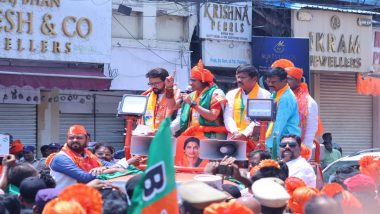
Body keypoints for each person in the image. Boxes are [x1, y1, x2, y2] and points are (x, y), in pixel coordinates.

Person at [168, 59, 227, 138]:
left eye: (193, 80)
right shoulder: (192, 95)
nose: (190, 83)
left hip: (211, 138)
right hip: (192, 138)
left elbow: (212, 116)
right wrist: (168, 88)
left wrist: (192, 104)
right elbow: (172, 106)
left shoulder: (216, 93)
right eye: (190, 80)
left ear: (203, 81)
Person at [48, 125, 115, 189]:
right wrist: (111, 170)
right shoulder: (61, 158)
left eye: (79, 138)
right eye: (71, 138)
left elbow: (114, 165)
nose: (75, 140)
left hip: (83, 196)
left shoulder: (88, 155)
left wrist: (106, 167)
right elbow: (84, 177)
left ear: (87, 140)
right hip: (64, 198)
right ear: (67, 139)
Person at [224, 64, 271, 152]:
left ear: (254, 79)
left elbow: (260, 119)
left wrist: (244, 133)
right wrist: (235, 132)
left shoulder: (264, 95)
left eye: (242, 77)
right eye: (238, 77)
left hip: (254, 139)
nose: (239, 80)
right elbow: (228, 116)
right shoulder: (231, 94)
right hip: (234, 137)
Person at [285, 67, 322, 151]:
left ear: (298, 81)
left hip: (300, 148)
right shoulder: (282, 97)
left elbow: (310, 131)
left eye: (289, 79)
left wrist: (303, 148)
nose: (285, 82)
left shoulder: (309, 102)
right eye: (284, 79)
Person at [265, 67, 301, 154]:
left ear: (284, 81)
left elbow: (279, 123)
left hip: (284, 140)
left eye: (273, 82)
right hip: (279, 138)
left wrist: (269, 144)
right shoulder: (276, 92)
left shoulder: (286, 97)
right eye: (268, 81)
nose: (270, 84)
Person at [139, 67, 180, 134]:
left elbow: (180, 119)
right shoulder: (147, 97)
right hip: (148, 137)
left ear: (165, 81)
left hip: (168, 138)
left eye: (157, 83)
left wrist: (162, 131)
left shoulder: (177, 96)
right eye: (151, 84)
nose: (154, 86)